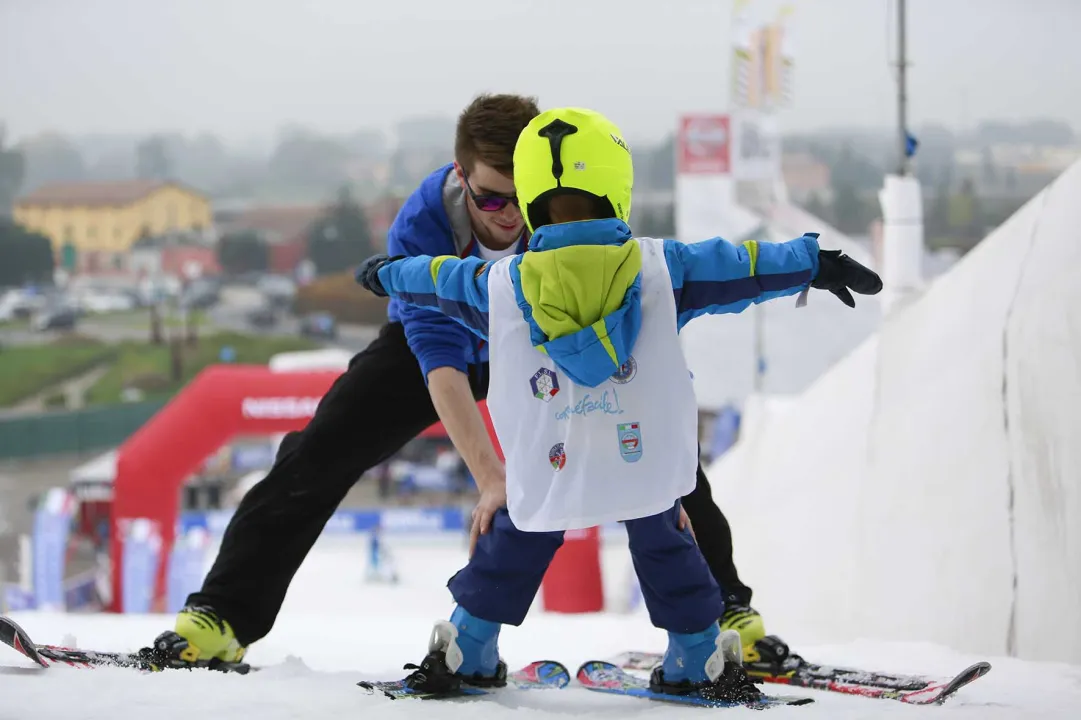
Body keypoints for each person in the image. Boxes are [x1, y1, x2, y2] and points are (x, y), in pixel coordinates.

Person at [142, 93, 770, 670]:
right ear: (460, 176)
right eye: (489, 198)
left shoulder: (570, 212)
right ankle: (222, 618)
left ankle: (729, 616)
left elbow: (629, 312)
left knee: (664, 458)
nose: (506, 217)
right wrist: (493, 476)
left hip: (539, 343)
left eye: (519, 199)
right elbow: (439, 363)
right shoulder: (424, 222)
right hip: (444, 342)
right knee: (316, 453)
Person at [354, 107, 881, 698]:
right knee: (665, 540)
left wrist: (386, 273)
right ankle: (698, 654)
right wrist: (813, 263)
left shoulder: (498, 285)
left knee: (517, 540)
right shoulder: (664, 270)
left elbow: (436, 279)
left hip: (549, 464)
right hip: (645, 460)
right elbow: (744, 264)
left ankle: (467, 645)